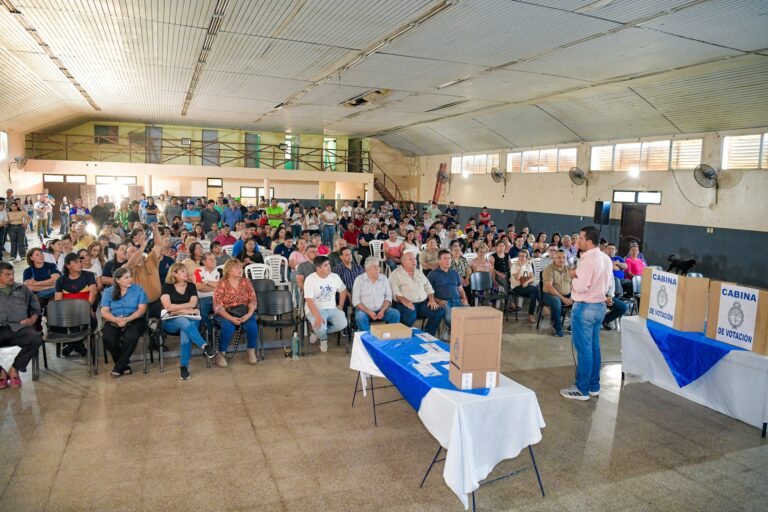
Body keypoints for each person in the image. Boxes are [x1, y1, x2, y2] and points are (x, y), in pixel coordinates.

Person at [560, 226, 613, 401]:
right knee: (594, 348)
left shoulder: (589, 260)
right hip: (599, 306)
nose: (577, 242)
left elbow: (581, 286)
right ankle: (593, 386)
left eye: (580, 239)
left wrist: (573, 275)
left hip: (585, 307)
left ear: (589, 242)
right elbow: (609, 283)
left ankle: (581, 389)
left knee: (584, 350)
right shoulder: (605, 258)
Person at [161, 263, 210, 380]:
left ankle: (184, 367)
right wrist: (186, 310)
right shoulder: (167, 286)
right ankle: (204, 345)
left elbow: (193, 303)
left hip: (191, 320)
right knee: (183, 321)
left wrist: (177, 309)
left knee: (185, 331)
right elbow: (168, 307)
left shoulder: (191, 286)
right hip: (171, 322)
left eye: (185, 271)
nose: (186, 273)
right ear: (174, 274)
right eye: (182, 271)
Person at [0, 262, 43, 388]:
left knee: (35, 339)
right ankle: (0, 372)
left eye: (12, 274)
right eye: (7, 274)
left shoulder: (22, 289)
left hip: (19, 328)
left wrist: (32, 320)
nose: (12, 277)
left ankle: (15, 369)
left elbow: (36, 308)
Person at [100, 267, 147, 377]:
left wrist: (127, 319)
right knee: (107, 338)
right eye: (126, 277)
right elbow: (104, 311)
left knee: (132, 336)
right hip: (114, 318)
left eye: (130, 277)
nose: (130, 279)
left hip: (135, 319)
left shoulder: (138, 290)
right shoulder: (108, 292)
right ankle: (124, 365)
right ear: (117, 280)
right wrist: (116, 319)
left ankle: (119, 366)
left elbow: (142, 309)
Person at [213, 258, 259, 366]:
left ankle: (251, 351)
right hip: (226, 313)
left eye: (241, 267)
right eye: (237, 267)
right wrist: (231, 318)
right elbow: (218, 305)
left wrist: (249, 314)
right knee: (228, 327)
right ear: (229, 270)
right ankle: (221, 353)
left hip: (244, 311)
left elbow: (253, 299)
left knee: (252, 325)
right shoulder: (222, 283)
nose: (240, 269)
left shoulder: (246, 281)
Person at [389, 251, 444, 336]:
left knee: (439, 311)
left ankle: (427, 335)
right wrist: (406, 302)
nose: (414, 261)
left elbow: (428, 287)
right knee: (410, 315)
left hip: (422, 304)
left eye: (415, 259)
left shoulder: (419, 272)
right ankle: (404, 336)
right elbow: (395, 292)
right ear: (403, 262)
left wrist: (432, 300)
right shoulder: (395, 274)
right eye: (411, 259)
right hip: (404, 304)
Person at [303, 256, 348, 353]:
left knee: (343, 324)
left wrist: (340, 306)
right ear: (318, 268)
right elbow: (309, 300)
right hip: (315, 309)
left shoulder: (334, 277)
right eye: (325, 265)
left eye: (329, 264)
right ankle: (323, 339)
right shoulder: (310, 279)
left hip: (332, 308)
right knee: (320, 326)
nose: (329, 267)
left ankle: (318, 333)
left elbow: (343, 290)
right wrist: (317, 316)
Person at [351, 258, 400, 332]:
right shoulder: (359, 280)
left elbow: (388, 297)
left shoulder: (384, 278)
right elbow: (356, 300)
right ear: (367, 269)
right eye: (374, 267)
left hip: (381, 310)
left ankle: (390, 336)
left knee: (395, 313)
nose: (378, 268)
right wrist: (369, 312)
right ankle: (369, 338)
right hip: (364, 310)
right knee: (360, 316)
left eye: (378, 266)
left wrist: (383, 310)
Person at [428, 249, 469, 329]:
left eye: (449, 258)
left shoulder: (454, 272)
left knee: (470, 316)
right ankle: (454, 332)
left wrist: (464, 298)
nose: (448, 261)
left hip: (457, 300)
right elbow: (428, 292)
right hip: (444, 302)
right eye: (445, 258)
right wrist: (437, 301)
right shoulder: (432, 274)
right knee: (450, 319)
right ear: (439, 260)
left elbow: (460, 289)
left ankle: (460, 333)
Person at [542, 250, 573, 337]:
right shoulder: (548, 269)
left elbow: (573, 285)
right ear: (554, 258)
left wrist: (572, 297)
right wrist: (563, 298)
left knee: (580, 301)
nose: (562, 259)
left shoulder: (569, 269)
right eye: (559, 257)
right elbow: (549, 287)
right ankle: (557, 327)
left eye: (564, 257)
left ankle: (573, 326)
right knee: (556, 302)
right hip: (550, 295)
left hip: (567, 295)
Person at [195, 252, 220, 339]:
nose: (213, 261)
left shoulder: (219, 271)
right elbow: (198, 287)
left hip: (217, 298)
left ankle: (216, 330)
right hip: (203, 299)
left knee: (222, 311)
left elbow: (221, 286)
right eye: (210, 259)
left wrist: (207, 282)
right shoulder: (198, 271)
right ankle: (209, 334)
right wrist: (215, 286)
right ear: (204, 261)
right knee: (203, 311)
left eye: (214, 259)